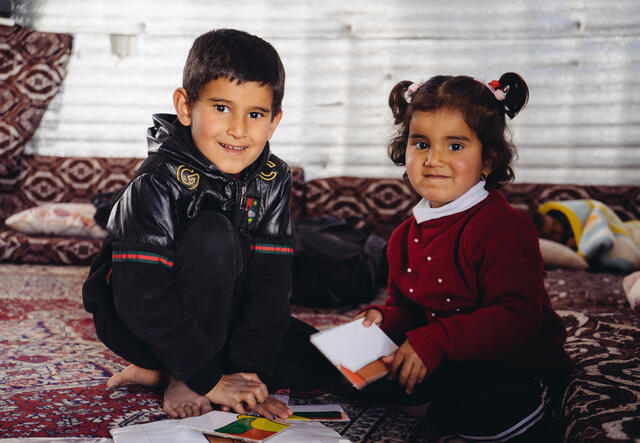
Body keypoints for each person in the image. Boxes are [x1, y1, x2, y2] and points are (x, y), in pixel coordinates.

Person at [83, 28, 304, 420]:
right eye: (222, 108)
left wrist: (245, 369)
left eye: (255, 115)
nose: (238, 129)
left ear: (274, 122)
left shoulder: (275, 178)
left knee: (328, 362)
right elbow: (140, 296)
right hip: (139, 314)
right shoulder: (157, 180)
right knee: (212, 233)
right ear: (185, 107)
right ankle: (177, 372)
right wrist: (205, 378)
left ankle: (166, 369)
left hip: (221, 317)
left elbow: (271, 283)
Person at [354, 73, 572, 441]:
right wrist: (383, 319)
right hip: (450, 359)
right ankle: (430, 406)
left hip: (513, 365)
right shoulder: (404, 237)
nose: (433, 159)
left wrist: (436, 340)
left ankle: (440, 410)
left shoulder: (504, 227)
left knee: (490, 403)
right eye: (420, 144)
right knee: (351, 366)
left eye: (455, 146)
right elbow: (408, 308)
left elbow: (517, 319)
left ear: (488, 160)